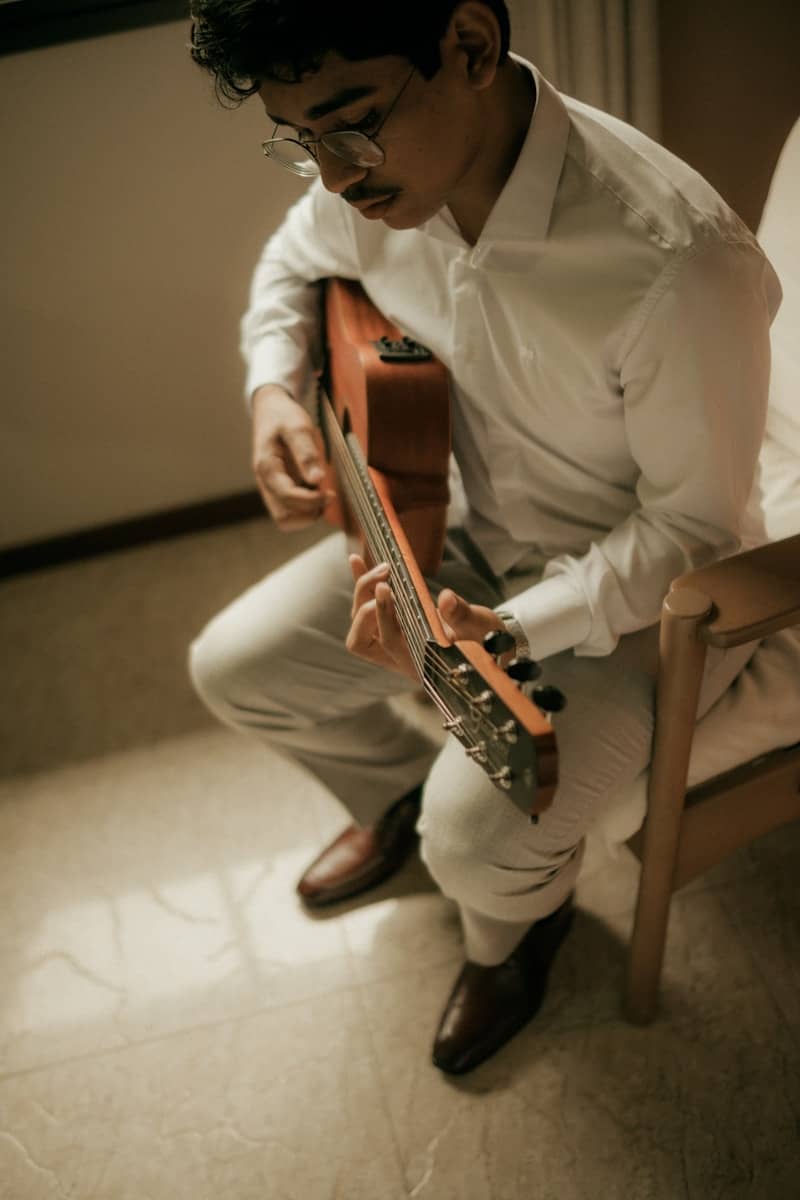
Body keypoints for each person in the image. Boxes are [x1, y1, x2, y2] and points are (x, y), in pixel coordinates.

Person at [187, 0, 780, 1073]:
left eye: (350, 125)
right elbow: (291, 258)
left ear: (467, 44)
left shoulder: (676, 261)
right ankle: (395, 796)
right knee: (233, 669)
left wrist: (503, 631)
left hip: (632, 608)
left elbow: (694, 532)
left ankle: (516, 932)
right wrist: (273, 386)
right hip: (455, 530)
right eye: (300, 139)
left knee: (473, 843)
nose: (333, 175)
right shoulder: (374, 183)